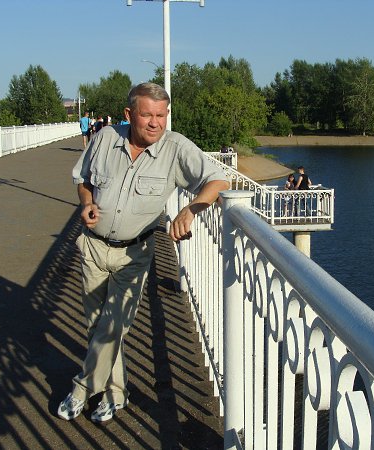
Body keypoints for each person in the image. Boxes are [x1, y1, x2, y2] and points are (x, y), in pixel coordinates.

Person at [58, 82, 230, 423]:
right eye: (147, 115)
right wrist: (87, 202)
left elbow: (219, 180)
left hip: (134, 254)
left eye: (161, 115)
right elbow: (83, 179)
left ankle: (82, 388)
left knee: (113, 326)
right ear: (129, 114)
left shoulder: (175, 148)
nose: (155, 123)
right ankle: (116, 394)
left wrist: (191, 209)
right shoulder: (105, 138)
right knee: (98, 327)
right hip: (93, 247)